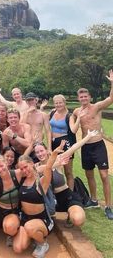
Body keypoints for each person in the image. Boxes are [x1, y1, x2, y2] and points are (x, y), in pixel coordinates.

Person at [33, 130, 98, 228]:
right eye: (37, 152)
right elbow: (43, 169)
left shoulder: (58, 158)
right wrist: (57, 164)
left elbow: (73, 148)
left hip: (65, 196)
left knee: (78, 219)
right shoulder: (36, 167)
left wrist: (88, 136)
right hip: (49, 200)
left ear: (47, 151)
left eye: (41, 151)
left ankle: (70, 213)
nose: (40, 154)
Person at [73, 71, 113, 218]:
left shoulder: (96, 107)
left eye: (85, 96)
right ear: (78, 98)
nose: (83, 98)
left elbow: (111, 98)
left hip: (98, 145)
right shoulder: (77, 111)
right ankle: (94, 200)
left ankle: (108, 206)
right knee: (89, 174)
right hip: (86, 147)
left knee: (103, 175)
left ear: (89, 97)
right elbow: (72, 124)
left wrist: (112, 82)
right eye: (81, 96)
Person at [13, 148, 62, 257]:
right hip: (26, 219)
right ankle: (32, 236)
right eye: (21, 169)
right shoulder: (22, 180)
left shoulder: (41, 182)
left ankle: (42, 244)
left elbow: (48, 167)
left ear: (32, 164)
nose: (24, 170)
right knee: (18, 248)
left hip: (42, 219)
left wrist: (54, 153)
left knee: (30, 227)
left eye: (26, 167)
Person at [49, 94, 80, 189]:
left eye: (60, 102)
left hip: (65, 143)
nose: (58, 105)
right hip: (54, 142)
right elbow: (43, 120)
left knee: (68, 171)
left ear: (64, 102)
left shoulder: (69, 116)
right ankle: (58, 191)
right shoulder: (52, 113)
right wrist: (41, 107)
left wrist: (78, 118)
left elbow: (73, 130)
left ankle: (70, 194)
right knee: (55, 168)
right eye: (56, 103)